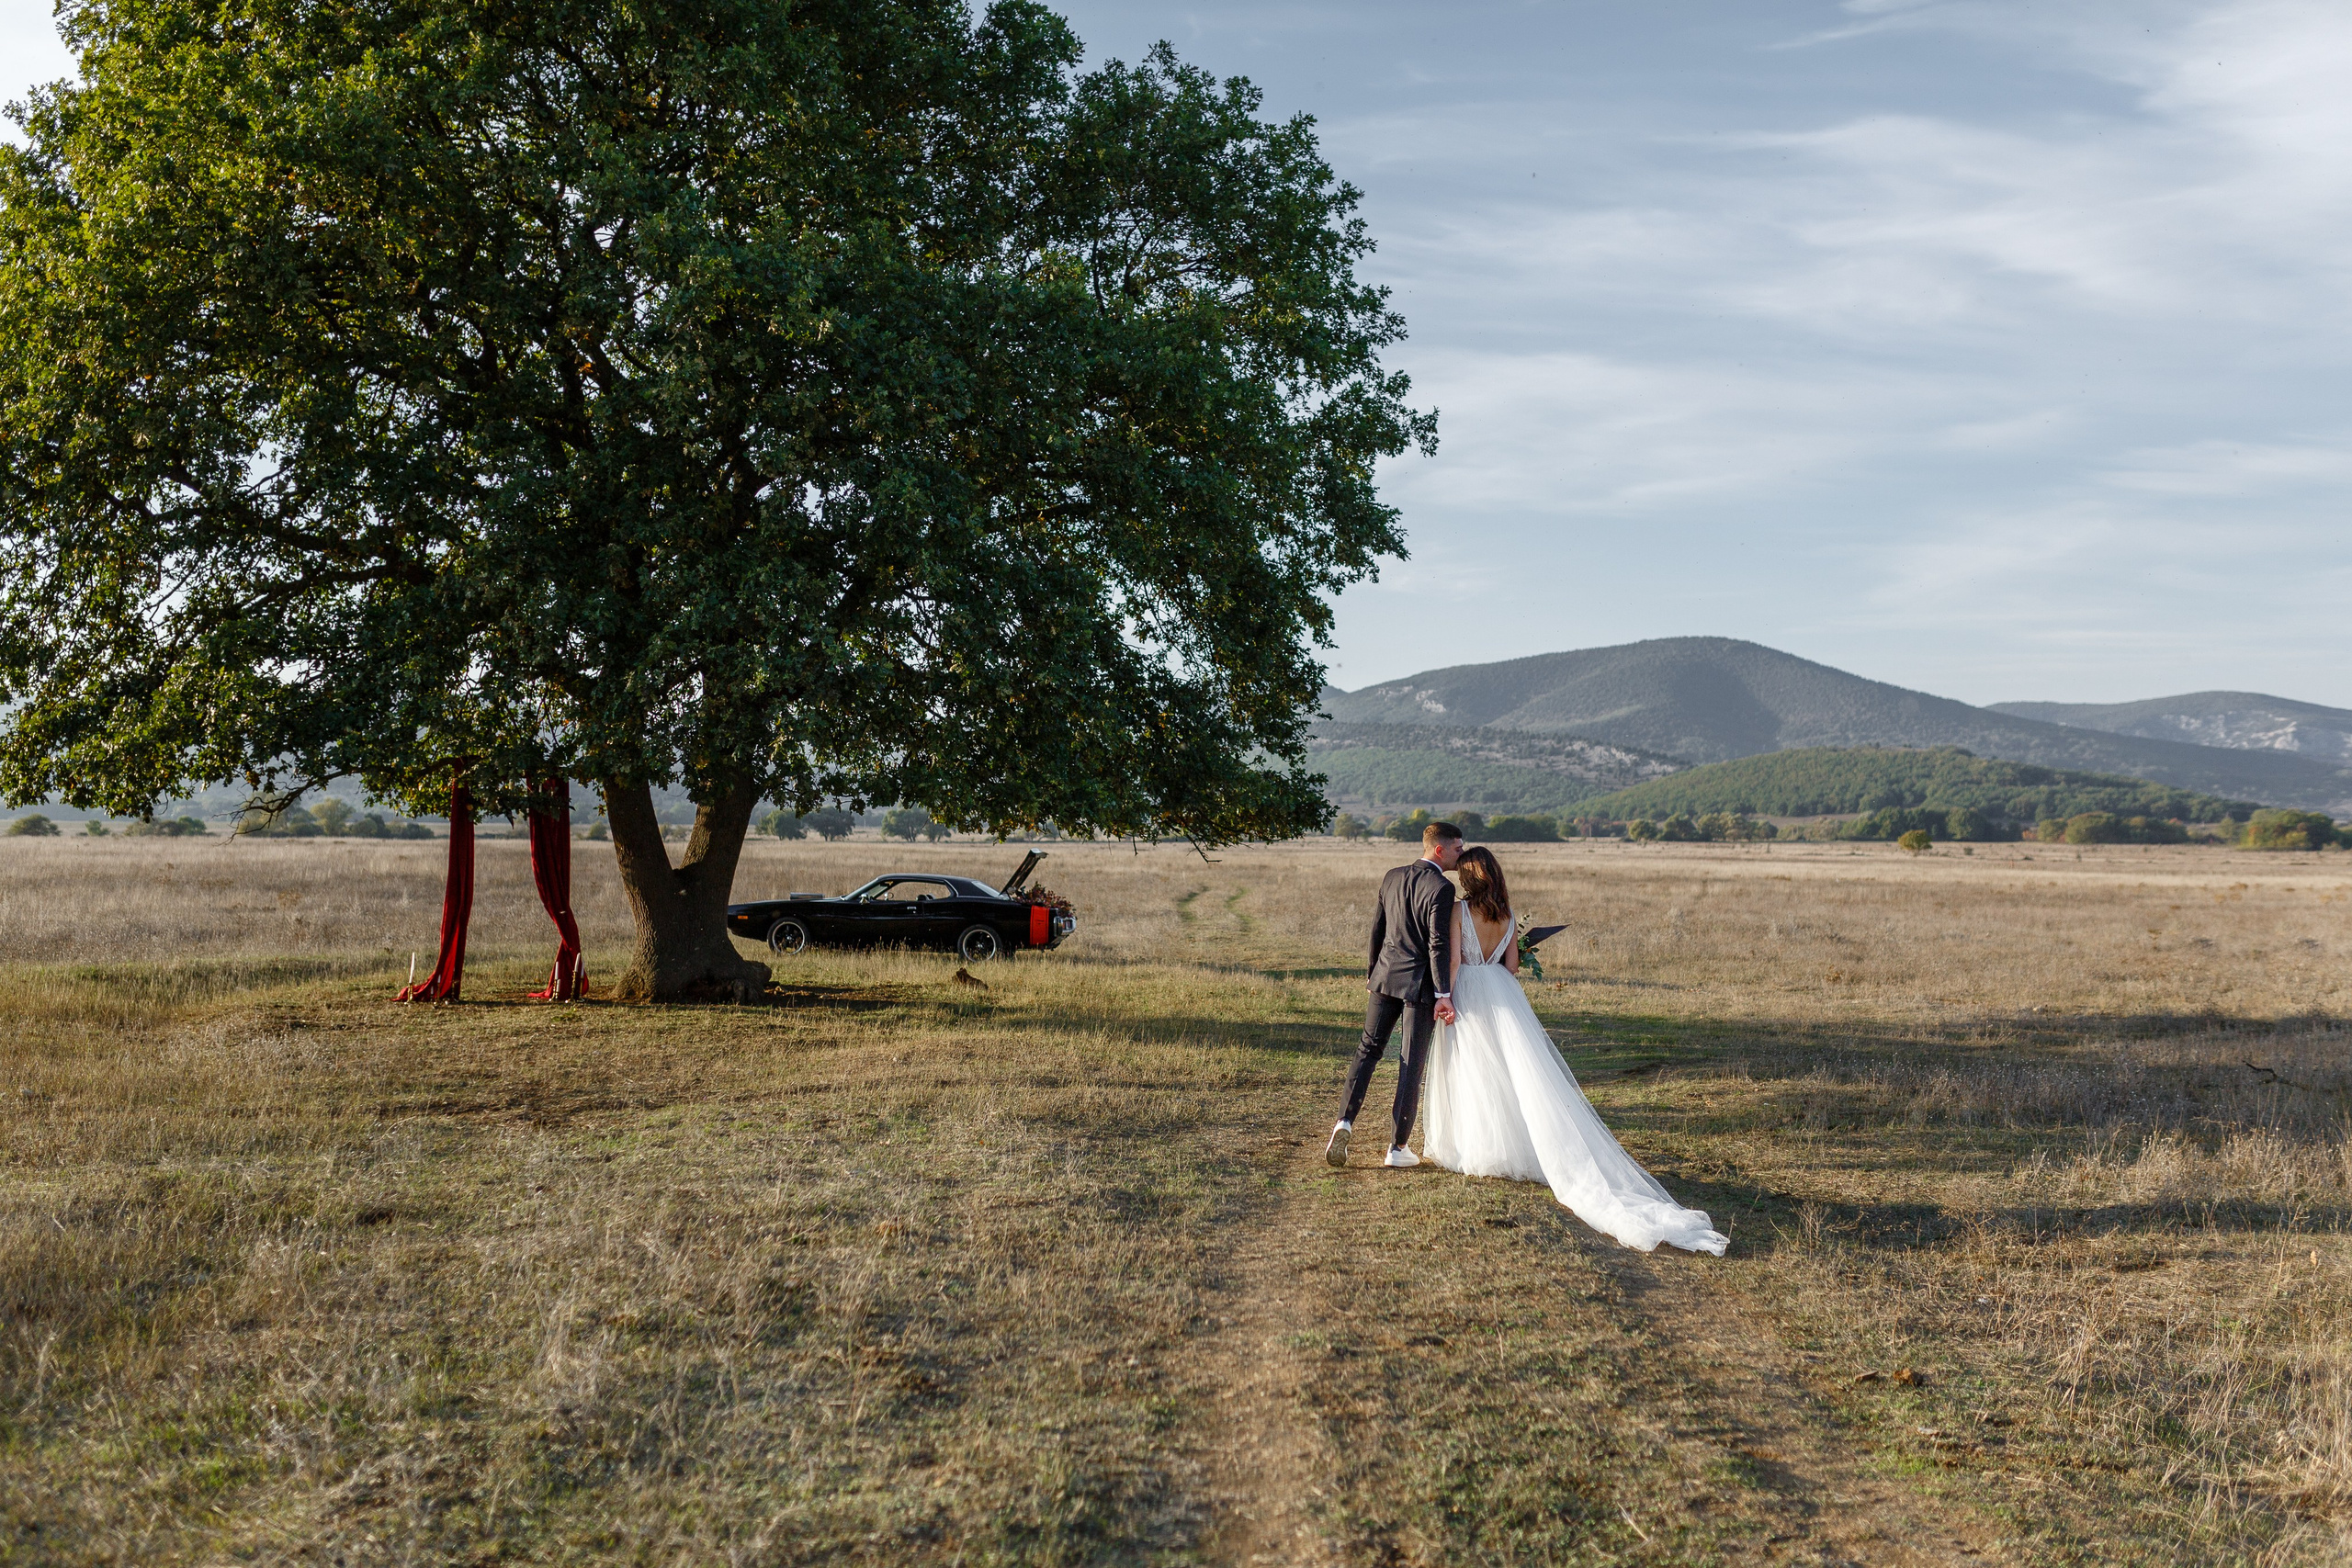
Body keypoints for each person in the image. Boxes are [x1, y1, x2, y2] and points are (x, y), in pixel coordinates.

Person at [1421, 846, 1728, 1255]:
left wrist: (1446, 995)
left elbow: (1456, 961)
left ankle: (1478, 1146)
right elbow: (1512, 966)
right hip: (1503, 992)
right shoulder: (1509, 916)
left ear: (1468, 877)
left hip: (1472, 992)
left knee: (1474, 1071)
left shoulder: (1459, 912)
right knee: (1516, 1074)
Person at [1327, 820, 1462, 1170]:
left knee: (1367, 1050)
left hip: (1384, 976)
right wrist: (1443, 992)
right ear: (1439, 850)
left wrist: (1373, 973)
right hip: (1419, 986)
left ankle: (1343, 1122)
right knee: (1410, 1063)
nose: (1462, 856)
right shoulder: (1441, 888)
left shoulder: (1391, 876)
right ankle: (1398, 1147)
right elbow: (1438, 943)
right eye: (1458, 849)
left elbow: (1378, 928)